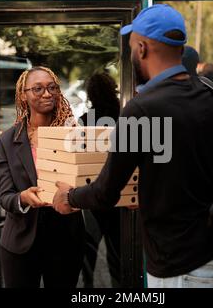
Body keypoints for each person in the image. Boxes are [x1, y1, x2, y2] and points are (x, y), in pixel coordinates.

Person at [52, 4, 213, 288]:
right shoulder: (210, 97)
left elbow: (105, 193)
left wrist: (69, 198)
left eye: (133, 45)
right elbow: (183, 167)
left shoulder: (143, 109)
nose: (132, 52)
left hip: (179, 268)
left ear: (143, 48)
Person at [0, 66, 85, 288]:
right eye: (37, 89)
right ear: (23, 95)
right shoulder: (8, 139)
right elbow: (5, 196)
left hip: (65, 239)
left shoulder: (73, 134)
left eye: (51, 87)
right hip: (20, 243)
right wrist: (23, 198)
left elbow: (89, 180)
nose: (46, 94)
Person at [79, 73, 122, 288]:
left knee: (90, 246)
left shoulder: (85, 121)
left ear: (91, 94)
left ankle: (87, 287)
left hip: (92, 190)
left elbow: (79, 156)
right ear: (113, 89)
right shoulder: (123, 116)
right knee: (117, 248)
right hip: (119, 191)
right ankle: (119, 286)